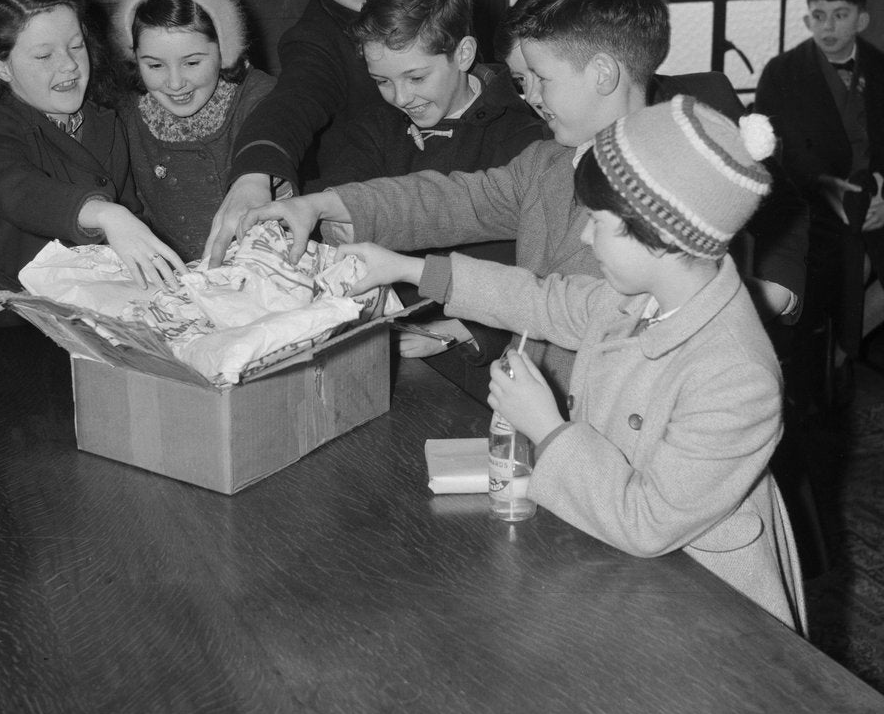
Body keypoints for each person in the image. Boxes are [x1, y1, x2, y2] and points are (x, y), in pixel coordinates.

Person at [334, 96, 806, 632]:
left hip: (708, 610)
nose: (584, 236)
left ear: (661, 235)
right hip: (620, 568)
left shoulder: (737, 375)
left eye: (599, 222)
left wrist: (547, 428)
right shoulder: (645, 297)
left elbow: (647, 523)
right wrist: (402, 267)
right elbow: (543, 299)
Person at [236, 0, 808, 404]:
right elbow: (449, 197)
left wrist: (770, 291)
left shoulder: (679, 172)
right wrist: (323, 203)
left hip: (630, 422)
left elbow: (567, 305)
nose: (528, 95)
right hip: (541, 410)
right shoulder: (547, 161)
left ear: (603, 74)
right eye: (522, 79)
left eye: (540, 79)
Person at [321, 0, 547, 383]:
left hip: (480, 354)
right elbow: (341, 193)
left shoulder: (521, 137)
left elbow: (531, 274)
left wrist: (467, 331)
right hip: (383, 337)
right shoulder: (376, 125)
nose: (401, 98)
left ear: (463, 54)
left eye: (416, 77)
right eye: (382, 81)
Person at [0, 0, 185, 328]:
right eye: (44, 55)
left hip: (96, 316)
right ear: (1, 67)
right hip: (11, 327)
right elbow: (14, 188)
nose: (69, 65)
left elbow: (136, 211)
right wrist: (105, 213)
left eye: (76, 46)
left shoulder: (106, 120)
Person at [202, 0, 399, 265]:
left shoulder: (445, 3)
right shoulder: (313, 38)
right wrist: (253, 174)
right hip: (362, 238)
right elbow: (291, 102)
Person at [756, 0, 884, 396]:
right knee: (848, 259)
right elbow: (775, 151)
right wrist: (826, 187)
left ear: (861, 20)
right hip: (810, 197)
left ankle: (844, 346)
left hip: (875, 194)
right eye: (818, 15)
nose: (827, 26)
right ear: (807, 18)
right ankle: (818, 364)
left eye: (840, 15)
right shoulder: (781, 72)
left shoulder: (881, 70)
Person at [112, 0, 276, 262]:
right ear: (135, 60)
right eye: (155, 65)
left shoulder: (261, 97)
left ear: (225, 50)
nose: (175, 83)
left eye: (191, 63)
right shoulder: (125, 113)